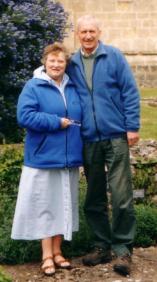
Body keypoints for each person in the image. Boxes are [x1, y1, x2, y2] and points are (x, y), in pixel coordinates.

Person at [67, 15, 140, 276]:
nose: (87, 36)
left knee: (121, 196)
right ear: (77, 34)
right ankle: (101, 246)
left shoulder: (114, 56)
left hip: (116, 135)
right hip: (88, 138)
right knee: (94, 196)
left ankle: (122, 249)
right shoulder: (72, 62)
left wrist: (132, 126)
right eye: (83, 32)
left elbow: (130, 91)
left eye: (91, 31)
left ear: (99, 32)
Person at [11, 42, 83, 276]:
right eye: (52, 60)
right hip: (43, 158)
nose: (56, 64)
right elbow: (25, 116)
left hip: (68, 159)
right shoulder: (34, 86)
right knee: (46, 207)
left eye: (60, 61)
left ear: (65, 64)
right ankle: (46, 256)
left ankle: (59, 251)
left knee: (63, 205)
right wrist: (56, 122)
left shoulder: (72, 87)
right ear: (45, 62)